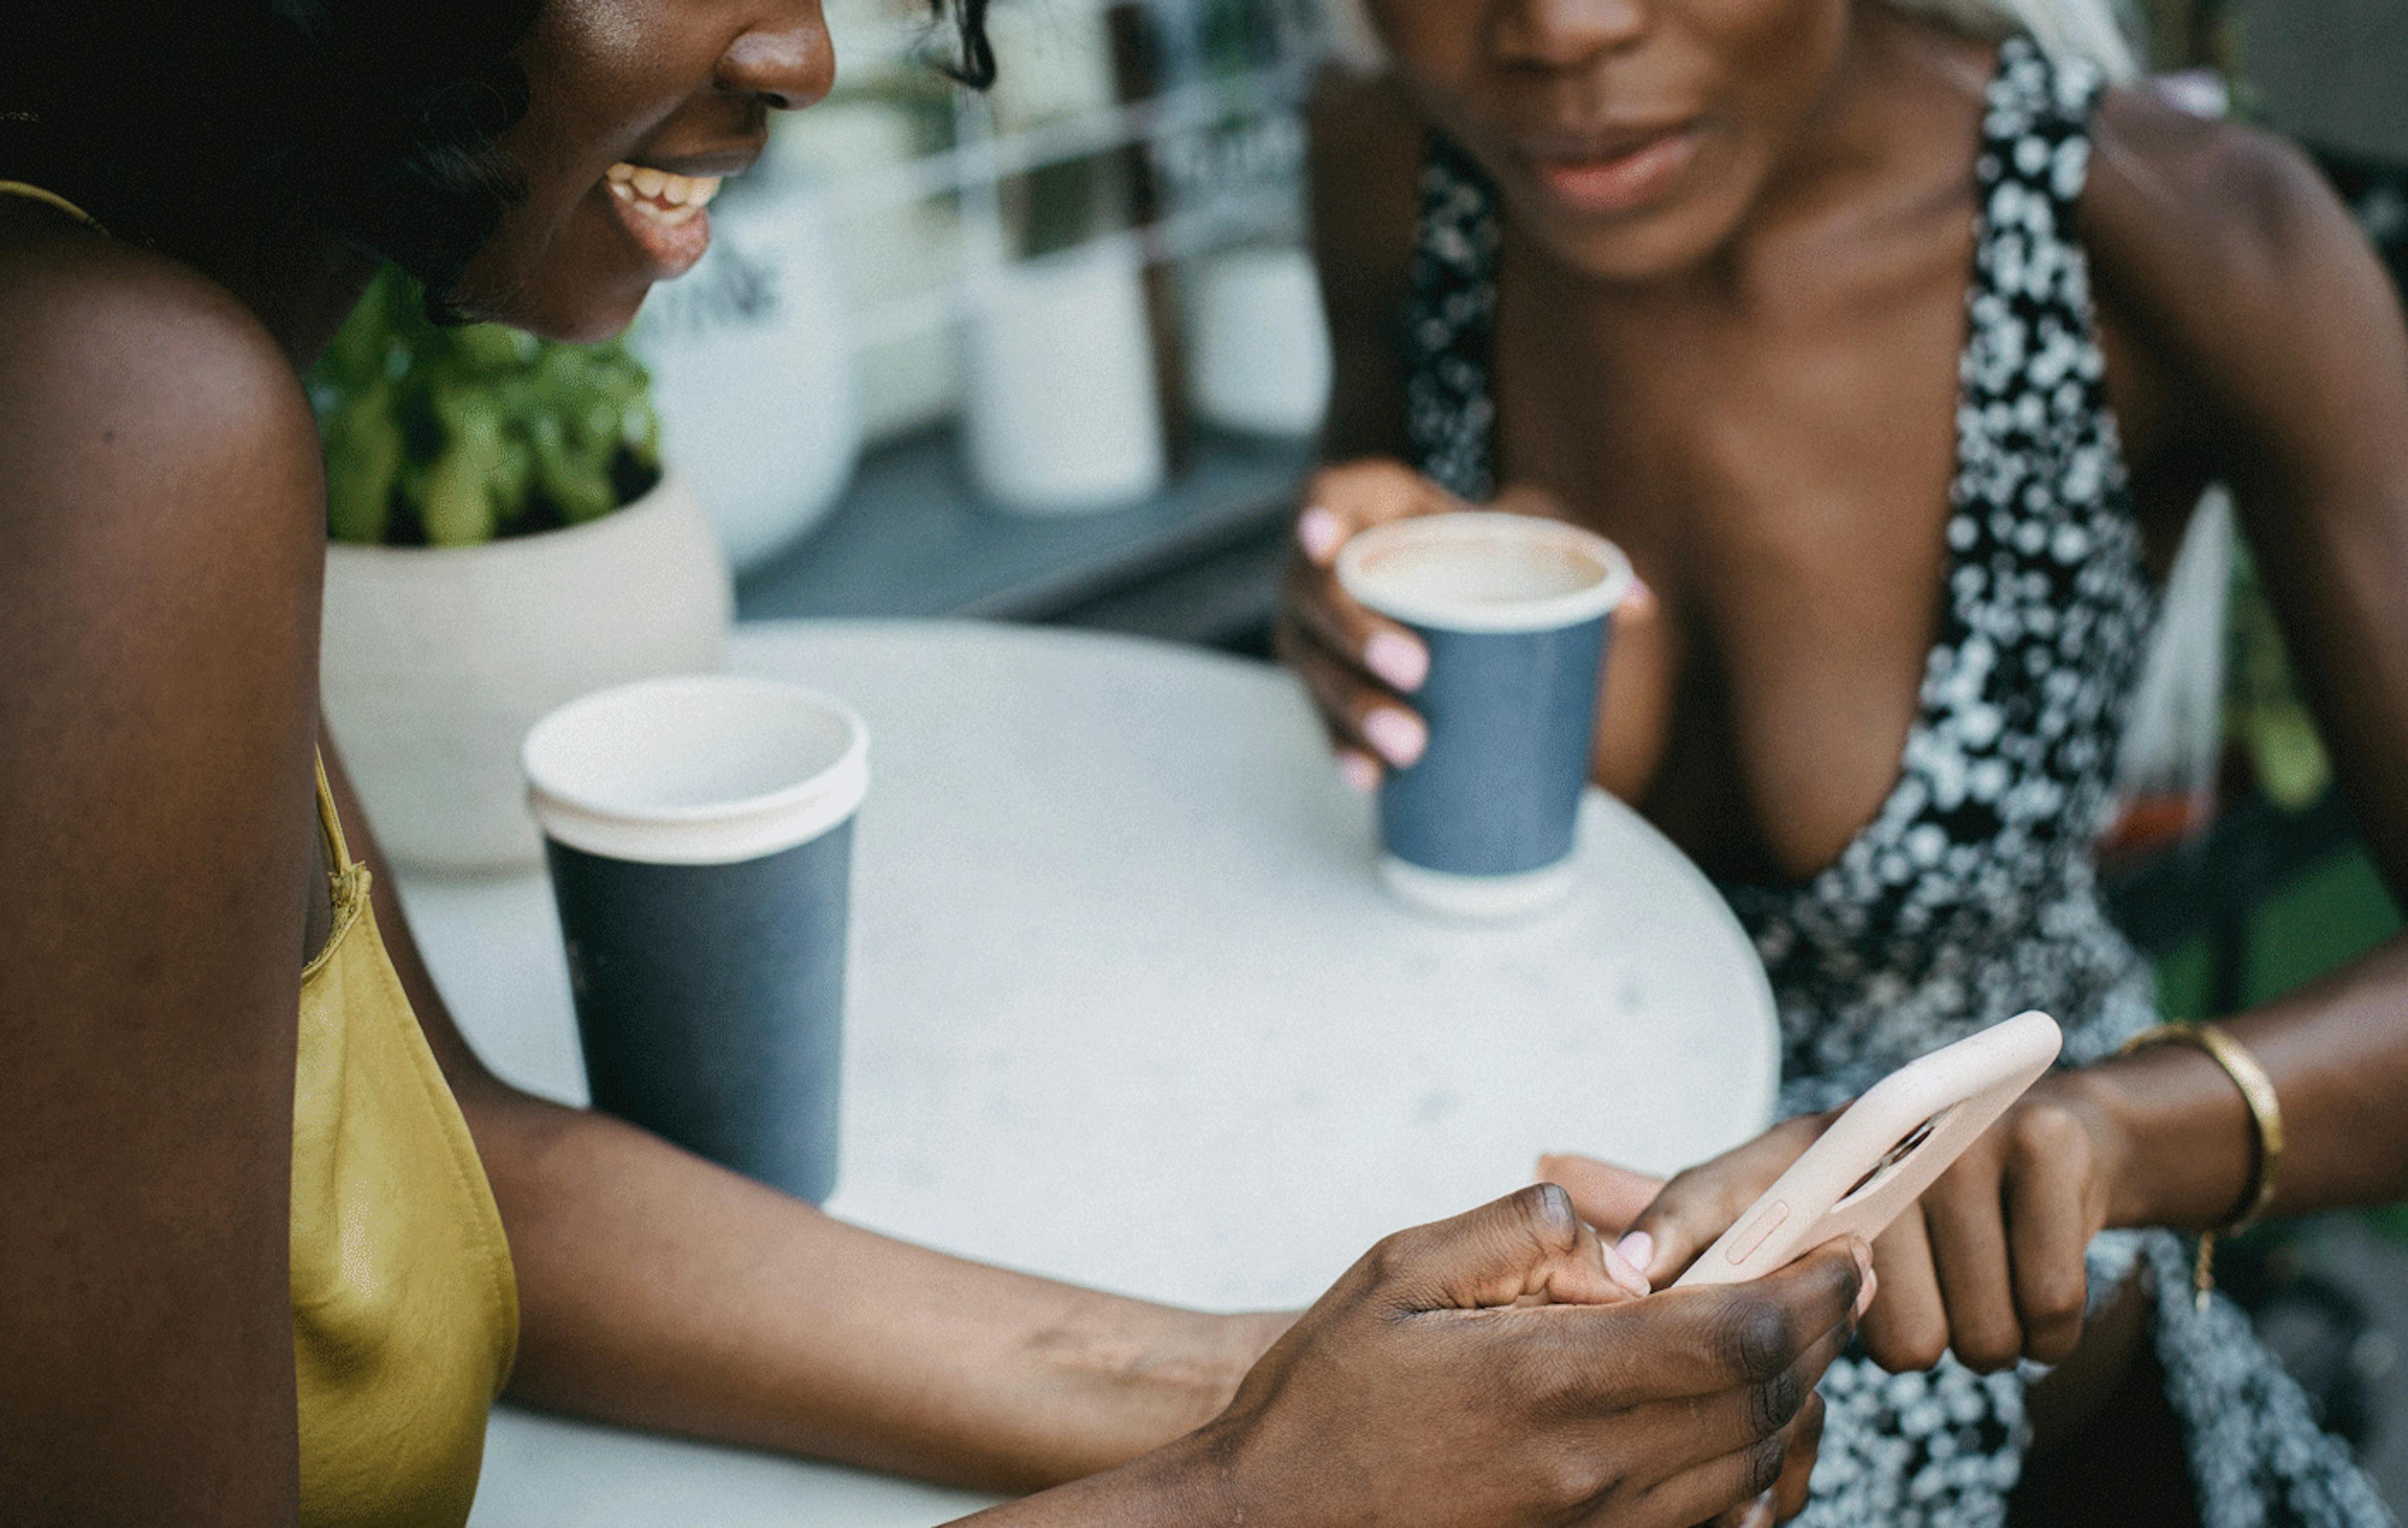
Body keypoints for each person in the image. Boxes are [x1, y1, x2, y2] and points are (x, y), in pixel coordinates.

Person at [0, 2, 1879, 1524]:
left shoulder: (121, 362)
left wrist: (1288, 1383)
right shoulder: (114, 427)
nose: (802, 51)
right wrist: (1256, 1505)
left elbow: (472, 1177)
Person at [1278, 0, 2408, 1524]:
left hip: (2003, 1339)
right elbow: (1393, 649)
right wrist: (1351, 610)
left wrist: (2109, 1140)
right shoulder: (1401, 169)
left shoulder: (2175, 230)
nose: (1563, 27)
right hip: (1506, 1213)